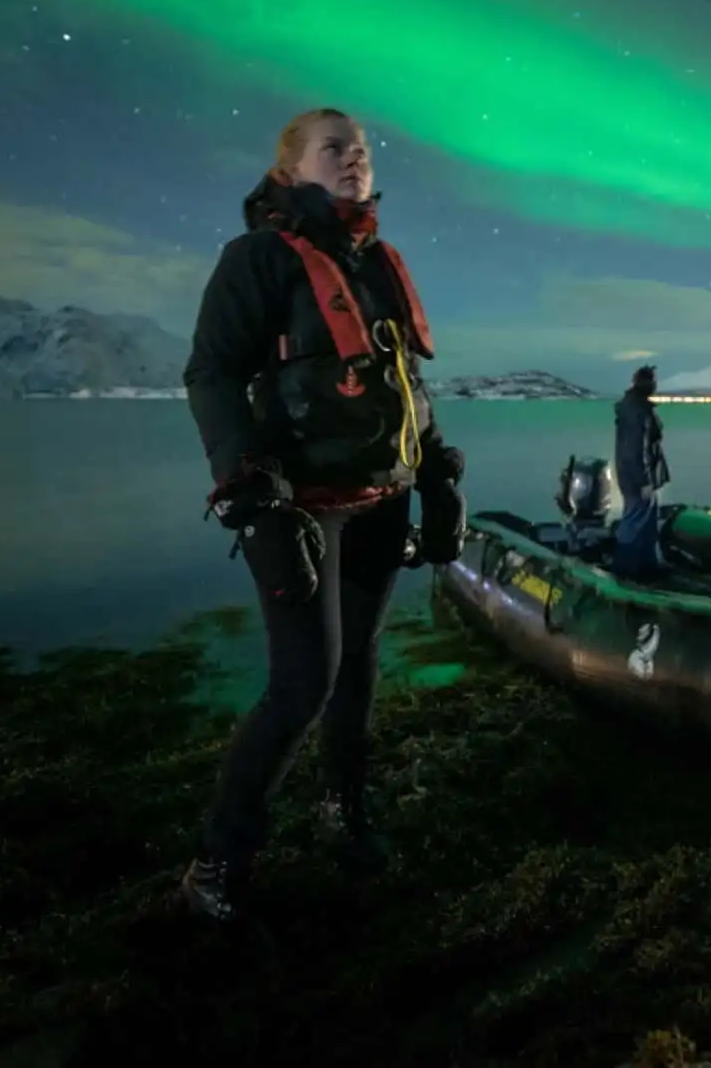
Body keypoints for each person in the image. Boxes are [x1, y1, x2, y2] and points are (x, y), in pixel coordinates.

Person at [177, 107, 467, 922]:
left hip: (381, 498)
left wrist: (436, 470)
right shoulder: (258, 259)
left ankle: (344, 808)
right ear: (290, 167)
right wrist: (246, 490)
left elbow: (402, 383)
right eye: (333, 149)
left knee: (360, 669)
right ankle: (216, 863)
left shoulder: (377, 262)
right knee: (303, 682)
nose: (354, 161)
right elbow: (210, 374)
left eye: (363, 151)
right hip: (297, 511)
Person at [612, 364, 670, 578]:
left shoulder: (632, 408)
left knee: (647, 520)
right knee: (635, 520)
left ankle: (646, 565)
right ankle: (625, 568)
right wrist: (644, 480)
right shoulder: (638, 412)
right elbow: (638, 449)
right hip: (636, 477)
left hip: (633, 475)